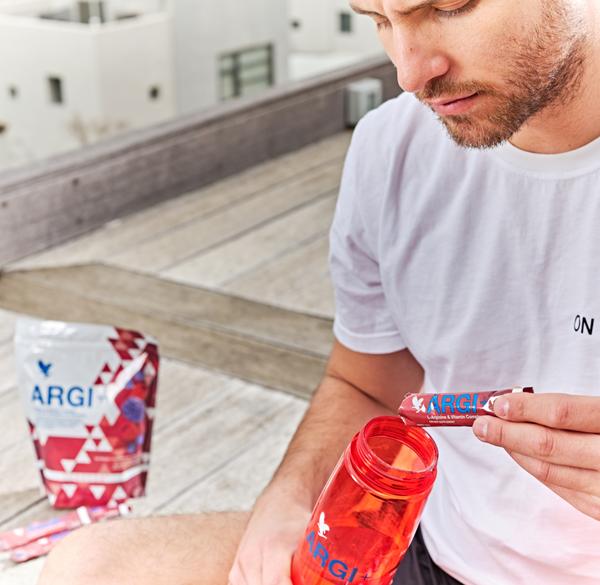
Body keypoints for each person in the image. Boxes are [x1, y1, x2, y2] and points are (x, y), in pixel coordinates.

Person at [39, 1, 600, 583]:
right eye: (378, 19)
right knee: (90, 567)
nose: (409, 73)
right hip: (426, 546)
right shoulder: (392, 147)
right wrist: (291, 495)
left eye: (449, 6)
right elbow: (370, 385)